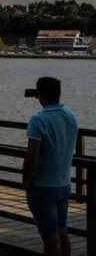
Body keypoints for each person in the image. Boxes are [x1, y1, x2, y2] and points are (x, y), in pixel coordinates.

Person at [22, 77, 78, 256]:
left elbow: (31, 157)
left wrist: (26, 182)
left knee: (49, 236)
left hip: (43, 186)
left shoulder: (38, 120)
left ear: (39, 95)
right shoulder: (71, 115)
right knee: (62, 231)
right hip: (64, 184)